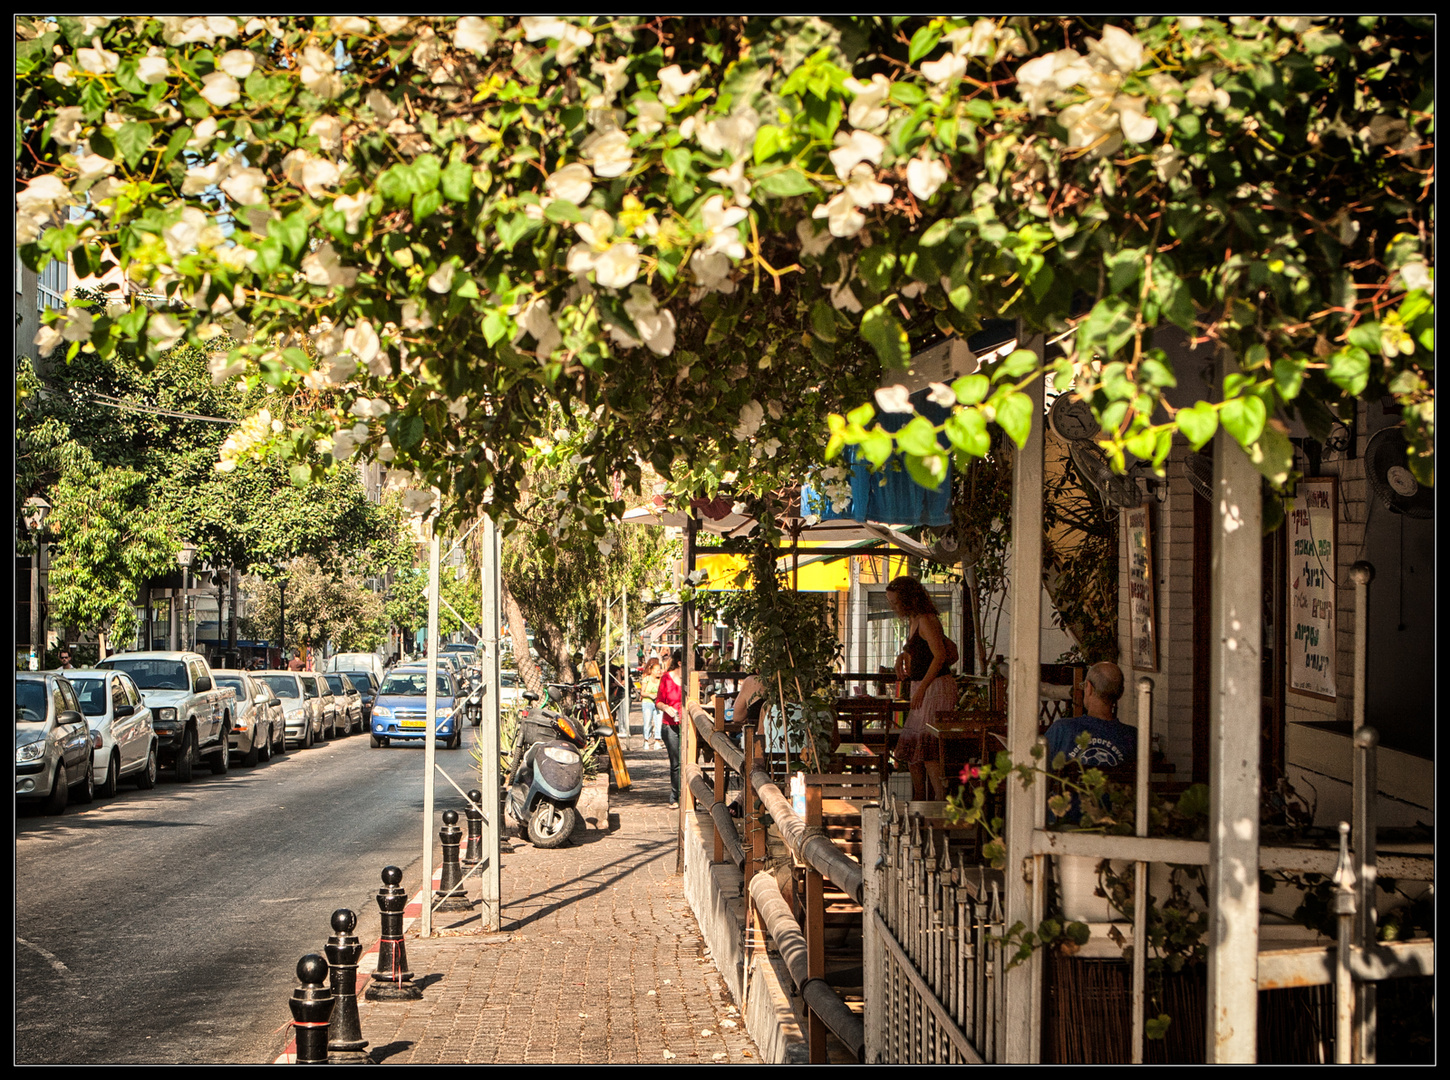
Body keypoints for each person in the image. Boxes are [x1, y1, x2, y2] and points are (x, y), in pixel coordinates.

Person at [885, 575, 959, 800]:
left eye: (895, 602)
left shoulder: (926, 620)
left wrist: (922, 689)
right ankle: (919, 800)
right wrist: (902, 656)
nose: (893, 607)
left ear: (907, 599)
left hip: (934, 687)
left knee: (927, 748)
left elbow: (939, 657)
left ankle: (939, 801)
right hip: (923, 685)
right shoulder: (914, 620)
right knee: (912, 750)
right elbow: (921, 649)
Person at [1044, 661, 1135, 770]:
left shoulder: (1061, 730)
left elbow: (1035, 773)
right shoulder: (1133, 737)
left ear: (1089, 687)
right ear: (1121, 693)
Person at [656, 650, 684, 808]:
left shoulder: (691, 680)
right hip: (670, 725)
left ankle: (689, 795)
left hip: (687, 725)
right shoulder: (667, 678)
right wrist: (667, 708)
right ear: (680, 663)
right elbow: (658, 701)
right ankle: (675, 796)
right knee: (676, 762)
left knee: (688, 761)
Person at [639, 657, 663, 752]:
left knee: (659, 722)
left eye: (659, 670)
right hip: (647, 702)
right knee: (647, 721)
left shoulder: (661, 680)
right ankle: (646, 740)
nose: (659, 672)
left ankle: (657, 740)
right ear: (652, 671)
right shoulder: (646, 679)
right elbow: (642, 692)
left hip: (658, 703)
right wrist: (650, 695)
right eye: (657, 670)